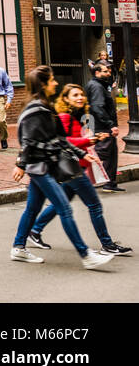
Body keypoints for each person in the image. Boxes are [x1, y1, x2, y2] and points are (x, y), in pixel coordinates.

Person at [11, 66, 114, 269]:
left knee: (32, 208)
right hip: (39, 167)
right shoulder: (35, 109)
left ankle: (18, 247)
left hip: (45, 165)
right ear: (43, 84)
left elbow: (59, 138)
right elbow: (27, 141)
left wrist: (82, 154)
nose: (56, 83)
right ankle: (86, 256)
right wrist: (21, 165)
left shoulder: (45, 107)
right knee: (64, 208)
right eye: (52, 80)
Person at [24, 83, 131, 256]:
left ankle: (35, 231)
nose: (80, 97)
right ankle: (107, 244)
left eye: (81, 94)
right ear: (65, 99)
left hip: (76, 166)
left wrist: (92, 139)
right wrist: (88, 141)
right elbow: (63, 142)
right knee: (94, 205)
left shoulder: (78, 116)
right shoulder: (65, 117)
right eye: (75, 95)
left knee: (62, 202)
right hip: (72, 168)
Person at [84, 63, 123, 192]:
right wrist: (110, 125)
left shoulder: (100, 85)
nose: (109, 73)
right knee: (101, 154)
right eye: (106, 71)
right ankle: (79, 180)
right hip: (102, 126)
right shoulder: (96, 87)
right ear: (97, 72)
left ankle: (110, 184)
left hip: (101, 125)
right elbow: (97, 107)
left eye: (109, 70)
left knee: (111, 154)